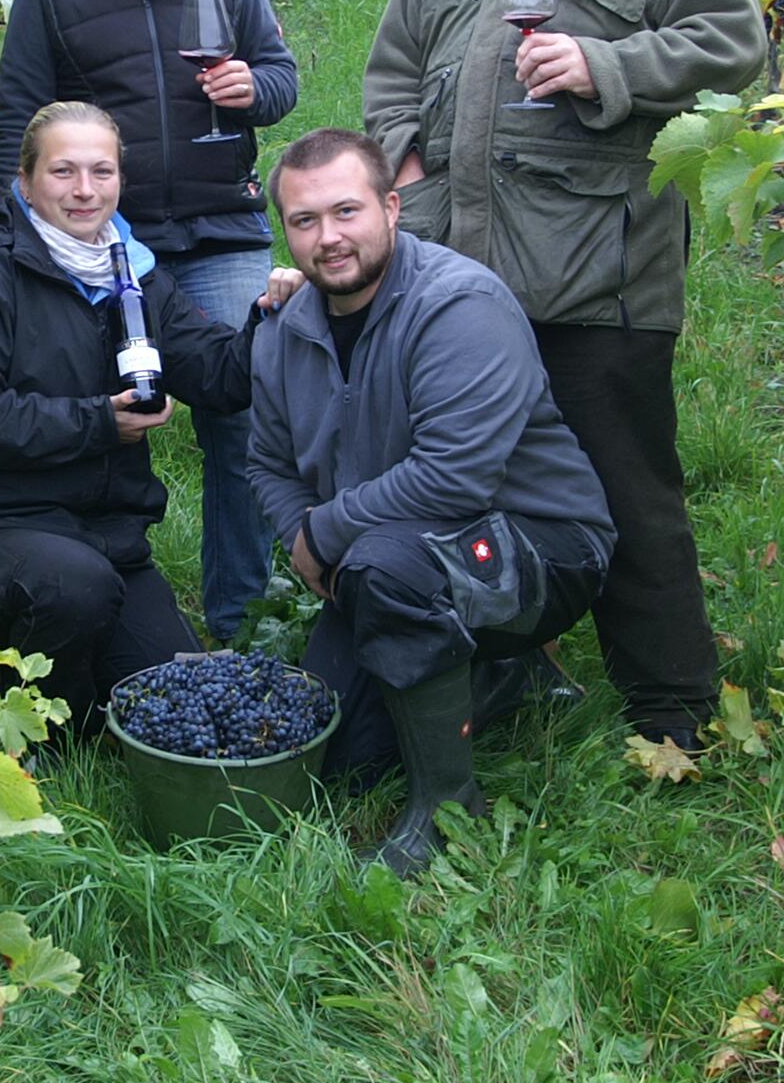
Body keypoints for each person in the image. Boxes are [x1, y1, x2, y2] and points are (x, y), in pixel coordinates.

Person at [363, 0, 768, 752]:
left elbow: (735, 51)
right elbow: (392, 65)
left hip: (598, 269)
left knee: (626, 482)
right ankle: (507, 667)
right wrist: (403, 160)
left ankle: (669, 706)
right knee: (470, 478)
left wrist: (608, 67)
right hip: (458, 271)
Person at [248, 128, 616, 876]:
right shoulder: (287, 330)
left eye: (347, 212)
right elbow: (267, 461)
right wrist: (298, 529)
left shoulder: (459, 305)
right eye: (305, 221)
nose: (330, 238)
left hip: (541, 544)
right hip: (395, 550)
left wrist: (326, 530)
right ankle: (501, 679)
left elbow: (456, 478)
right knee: (343, 754)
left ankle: (449, 811)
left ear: (392, 207)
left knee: (388, 569)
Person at [0, 0, 301, 642]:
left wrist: (252, 92)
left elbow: (280, 76)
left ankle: (242, 612)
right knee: (87, 423)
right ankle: (107, 610)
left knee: (244, 414)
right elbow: (20, 116)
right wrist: (19, 237)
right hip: (102, 238)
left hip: (219, 227)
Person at [0, 102, 301, 733]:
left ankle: (78, 696)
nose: (85, 190)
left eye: (102, 171)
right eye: (63, 172)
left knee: (176, 699)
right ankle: (35, 732)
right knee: (72, 594)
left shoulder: (134, 277)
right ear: (26, 179)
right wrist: (97, 424)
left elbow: (220, 378)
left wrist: (274, 317)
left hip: (106, 544)